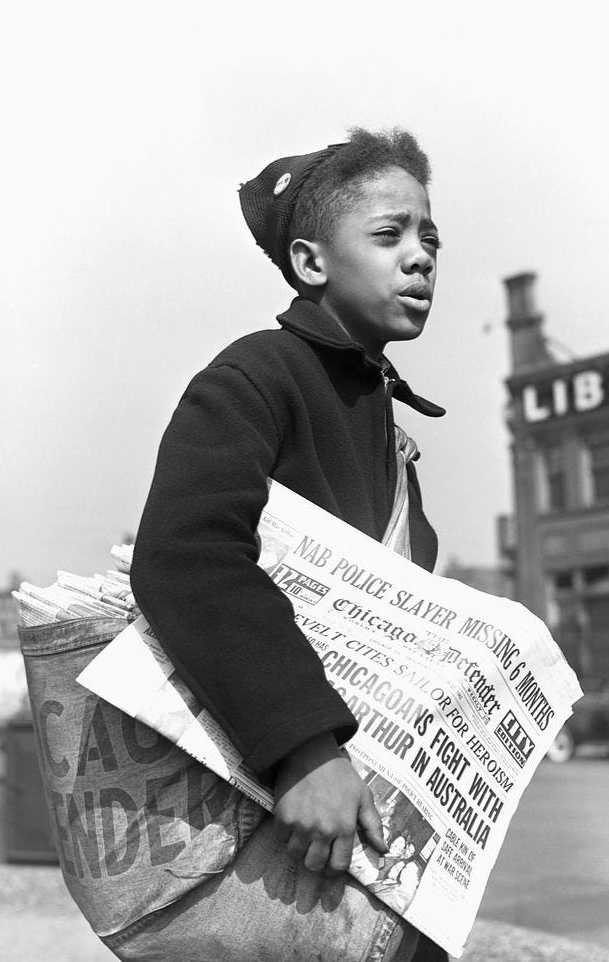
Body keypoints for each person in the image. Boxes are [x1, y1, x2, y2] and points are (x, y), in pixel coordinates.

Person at [127, 128, 448, 962]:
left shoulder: (385, 421)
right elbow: (185, 552)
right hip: (281, 815)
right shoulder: (258, 376)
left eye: (430, 238)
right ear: (311, 262)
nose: (420, 257)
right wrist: (303, 745)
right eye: (389, 235)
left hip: (364, 847)